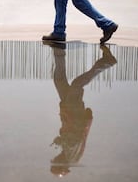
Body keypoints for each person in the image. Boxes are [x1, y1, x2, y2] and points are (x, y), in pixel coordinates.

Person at [48, 43, 117, 176]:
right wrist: (60, 140)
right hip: (74, 113)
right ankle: (107, 62)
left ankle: (59, 51)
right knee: (76, 85)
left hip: (68, 110)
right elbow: (74, 138)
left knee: (59, 80)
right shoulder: (72, 155)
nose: (55, 158)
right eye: (56, 161)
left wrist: (61, 139)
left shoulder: (69, 155)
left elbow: (71, 137)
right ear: (60, 163)